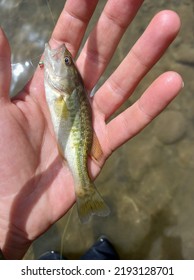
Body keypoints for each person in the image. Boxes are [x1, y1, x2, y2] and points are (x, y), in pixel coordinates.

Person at [0, 0, 183, 260]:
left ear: (69, 80)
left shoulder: (62, 90)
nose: (61, 57)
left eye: (64, 61)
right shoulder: (61, 89)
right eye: (67, 60)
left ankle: (83, 196)